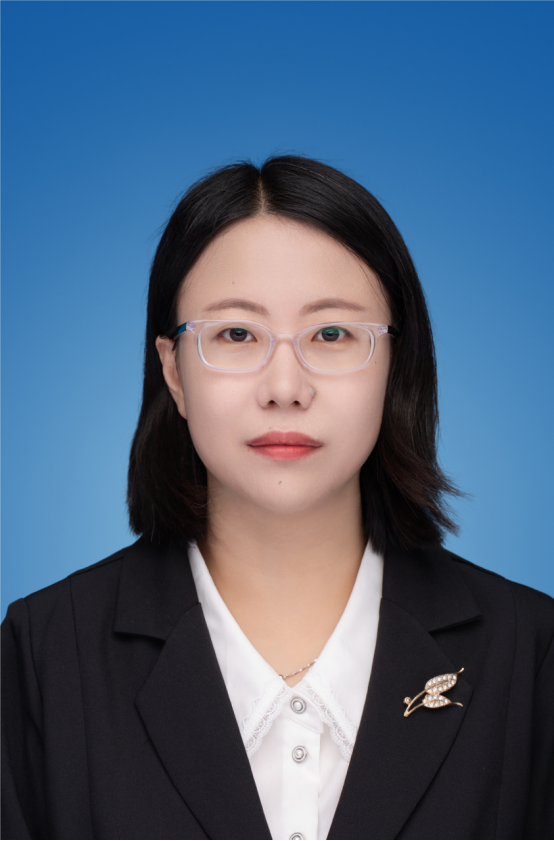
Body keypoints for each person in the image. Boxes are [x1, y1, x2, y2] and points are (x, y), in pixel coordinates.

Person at [2, 156, 553, 841]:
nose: (285, 388)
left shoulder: (528, 651)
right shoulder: (45, 655)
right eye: (236, 335)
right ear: (173, 371)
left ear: (396, 364)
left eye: (332, 334)